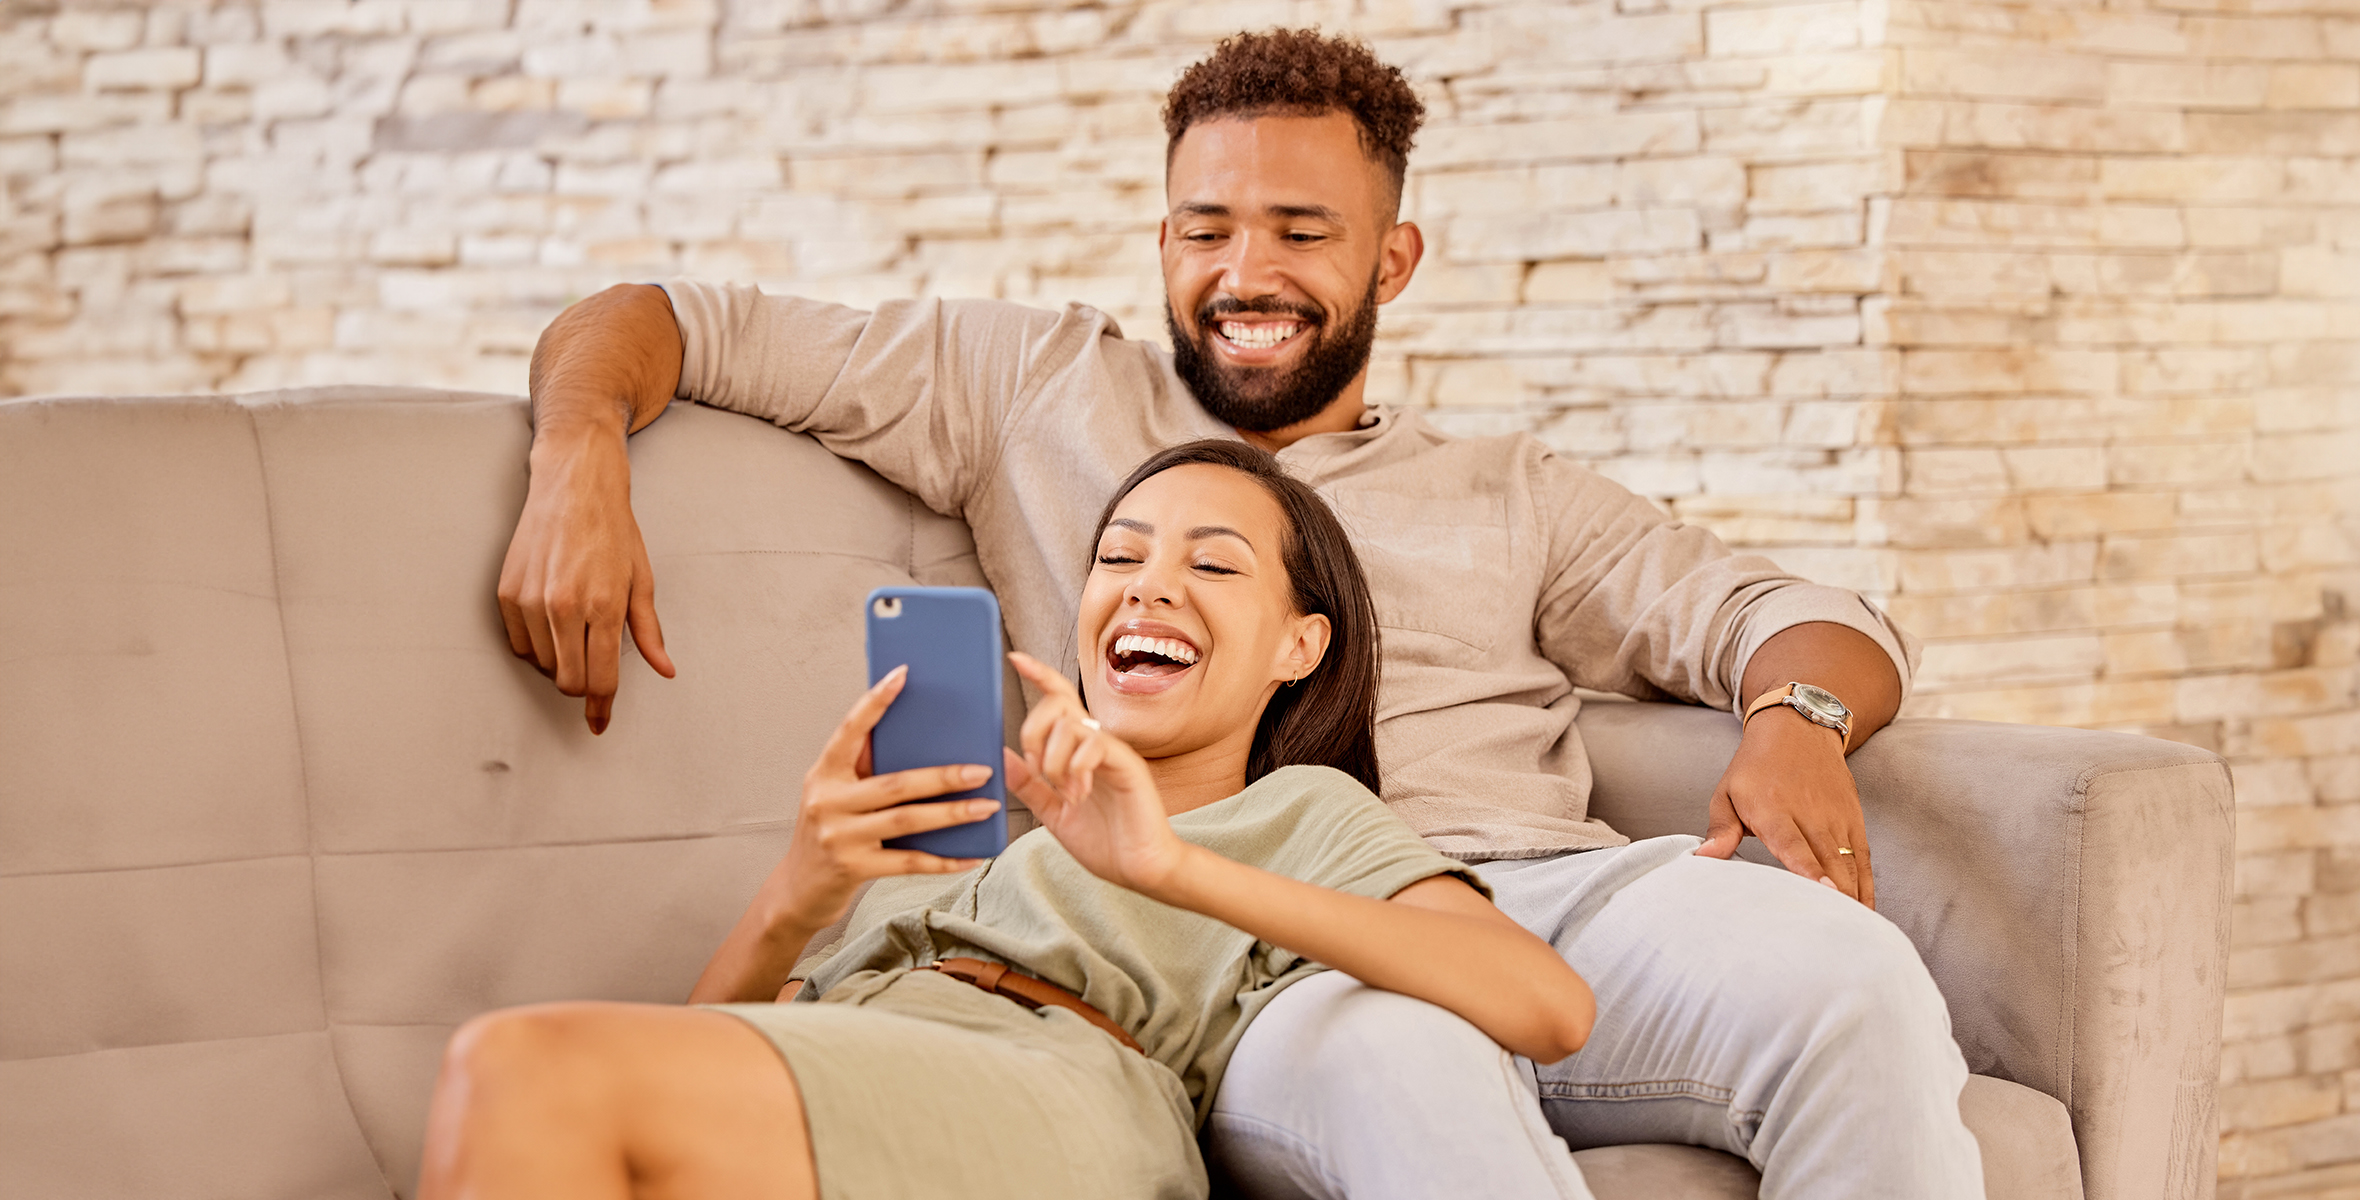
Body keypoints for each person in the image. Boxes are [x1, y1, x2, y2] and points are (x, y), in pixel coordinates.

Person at [495, 27, 1984, 1199]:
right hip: (1243, 951)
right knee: (1401, 1064)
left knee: (1850, 976)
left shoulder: (1510, 492)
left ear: (1391, 260)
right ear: (1161, 244)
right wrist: (578, 455)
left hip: (1524, 892)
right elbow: (662, 320)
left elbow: (1788, 616)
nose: (1244, 274)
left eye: (1299, 231)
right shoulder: (1031, 389)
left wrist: (1799, 720)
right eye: (1204, 229)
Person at [419, 442, 1597, 1199]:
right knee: (531, 1081)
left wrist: (1169, 865)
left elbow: (1548, 1006)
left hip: (1059, 1082)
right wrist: (800, 889)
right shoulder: (966, 822)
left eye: (1215, 566)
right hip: (879, 1054)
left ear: (1300, 645)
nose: (1147, 584)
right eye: (1119, 556)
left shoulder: (1296, 810)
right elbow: (717, 1047)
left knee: (520, 1065)